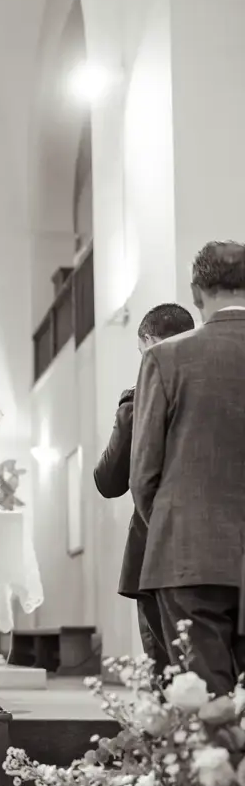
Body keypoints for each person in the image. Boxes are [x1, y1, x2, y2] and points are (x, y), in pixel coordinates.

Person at [131, 242, 245, 696]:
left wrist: (165, 523)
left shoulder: (165, 358)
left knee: (205, 703)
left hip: (188, 552)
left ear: (196, 293)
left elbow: (144, 474)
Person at [94, 303, 195, 677]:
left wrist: (127, 406)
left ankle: (170, 736)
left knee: (167, 671)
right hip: (220, 551)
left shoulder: (139, 399)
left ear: (149, 343)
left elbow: (109, 481)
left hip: (155, 549)